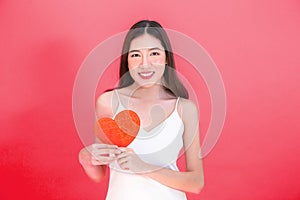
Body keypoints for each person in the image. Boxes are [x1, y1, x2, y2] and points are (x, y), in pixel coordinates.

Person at [78, 20, 204, 200]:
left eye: (154, 53)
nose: (145, 64)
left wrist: (143, 167)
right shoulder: (108, 103)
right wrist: (85, 158)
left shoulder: (184, 109)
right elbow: (99, 173)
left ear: (166, 58)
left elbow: (196, 182)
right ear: (127, 61)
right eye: (136, 55)